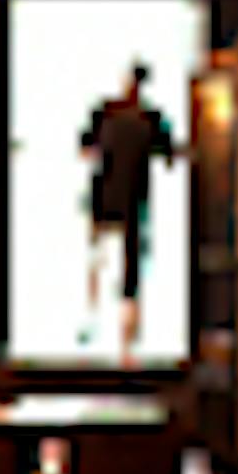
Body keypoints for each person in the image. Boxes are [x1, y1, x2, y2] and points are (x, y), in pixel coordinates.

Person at [79, 62, 177, 365]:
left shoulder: (105, 112)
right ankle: (127, 337)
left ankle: (93, 318)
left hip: (105, 193)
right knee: (130, 269)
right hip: (134, 198)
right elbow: (170, 156)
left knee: (99, 258)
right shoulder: (151, 118)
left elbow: (85, 148)